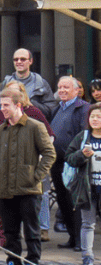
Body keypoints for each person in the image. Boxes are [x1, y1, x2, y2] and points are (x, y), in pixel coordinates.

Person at [0, 88, 56, 265]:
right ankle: (13, 262)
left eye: (6, 106)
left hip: (28, 189)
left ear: (18, 105)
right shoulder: (1, 130)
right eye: (1, 106)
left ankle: (33, 264)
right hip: (5, 188)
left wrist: (35, 176)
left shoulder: (35, 126)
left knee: (31, 229)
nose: (2, 110)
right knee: (10, 230)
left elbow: (49, 154)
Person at [47, 74, 90, 252]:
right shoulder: (58, 108)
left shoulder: (83, 108)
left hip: (74, 163)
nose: (62, 90)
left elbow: (84, 134)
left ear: (76, 90)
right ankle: (72, 237)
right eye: (60, 87)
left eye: (66, 87)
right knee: (63, 201)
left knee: (76, 203)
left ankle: (80, 241)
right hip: (57, 163)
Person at [72, 105, 101, 265]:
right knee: (87, 223)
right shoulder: (83, 137)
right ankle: (87, 257)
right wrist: (82, 155)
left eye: (98, 116)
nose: (95, 119)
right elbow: (69, 157)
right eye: (92, 116)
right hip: (87, 187)